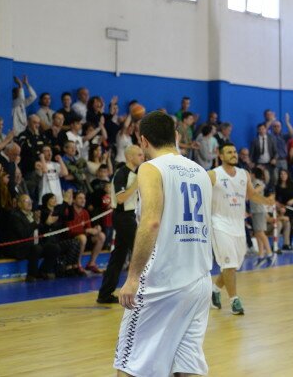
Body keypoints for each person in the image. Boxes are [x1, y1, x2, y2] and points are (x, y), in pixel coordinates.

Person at [115, 111, 213, 377]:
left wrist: (133, 277)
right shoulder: (202, 172)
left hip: (162, 282)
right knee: (187, 366)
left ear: (143, 140)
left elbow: (151, 222)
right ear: (177, 137)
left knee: (130, 362)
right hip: (200, 281)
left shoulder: (150, 168)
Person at [208, 142, 275, 313]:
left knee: (233, 264)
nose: (233, 154)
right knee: (229, 264)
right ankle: (234, 301)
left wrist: (266, 201)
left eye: (235, 151)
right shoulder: (213, 175)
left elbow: (251, 195)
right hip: (219, 223)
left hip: (238, 225)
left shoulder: (244, 174)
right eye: (229, 152)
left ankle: (215, 290)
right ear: (220, 156)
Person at [96, 145, 145, 304]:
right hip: (123, 217)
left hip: (130, 216)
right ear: (130, 157)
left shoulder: (134, 173)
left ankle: (105, 294)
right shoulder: (121, 174)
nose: (142, 157)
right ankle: (147, 290)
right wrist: (137, 184)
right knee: (141, 251)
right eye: (139, 154)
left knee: (118, 257)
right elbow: (122, 198)